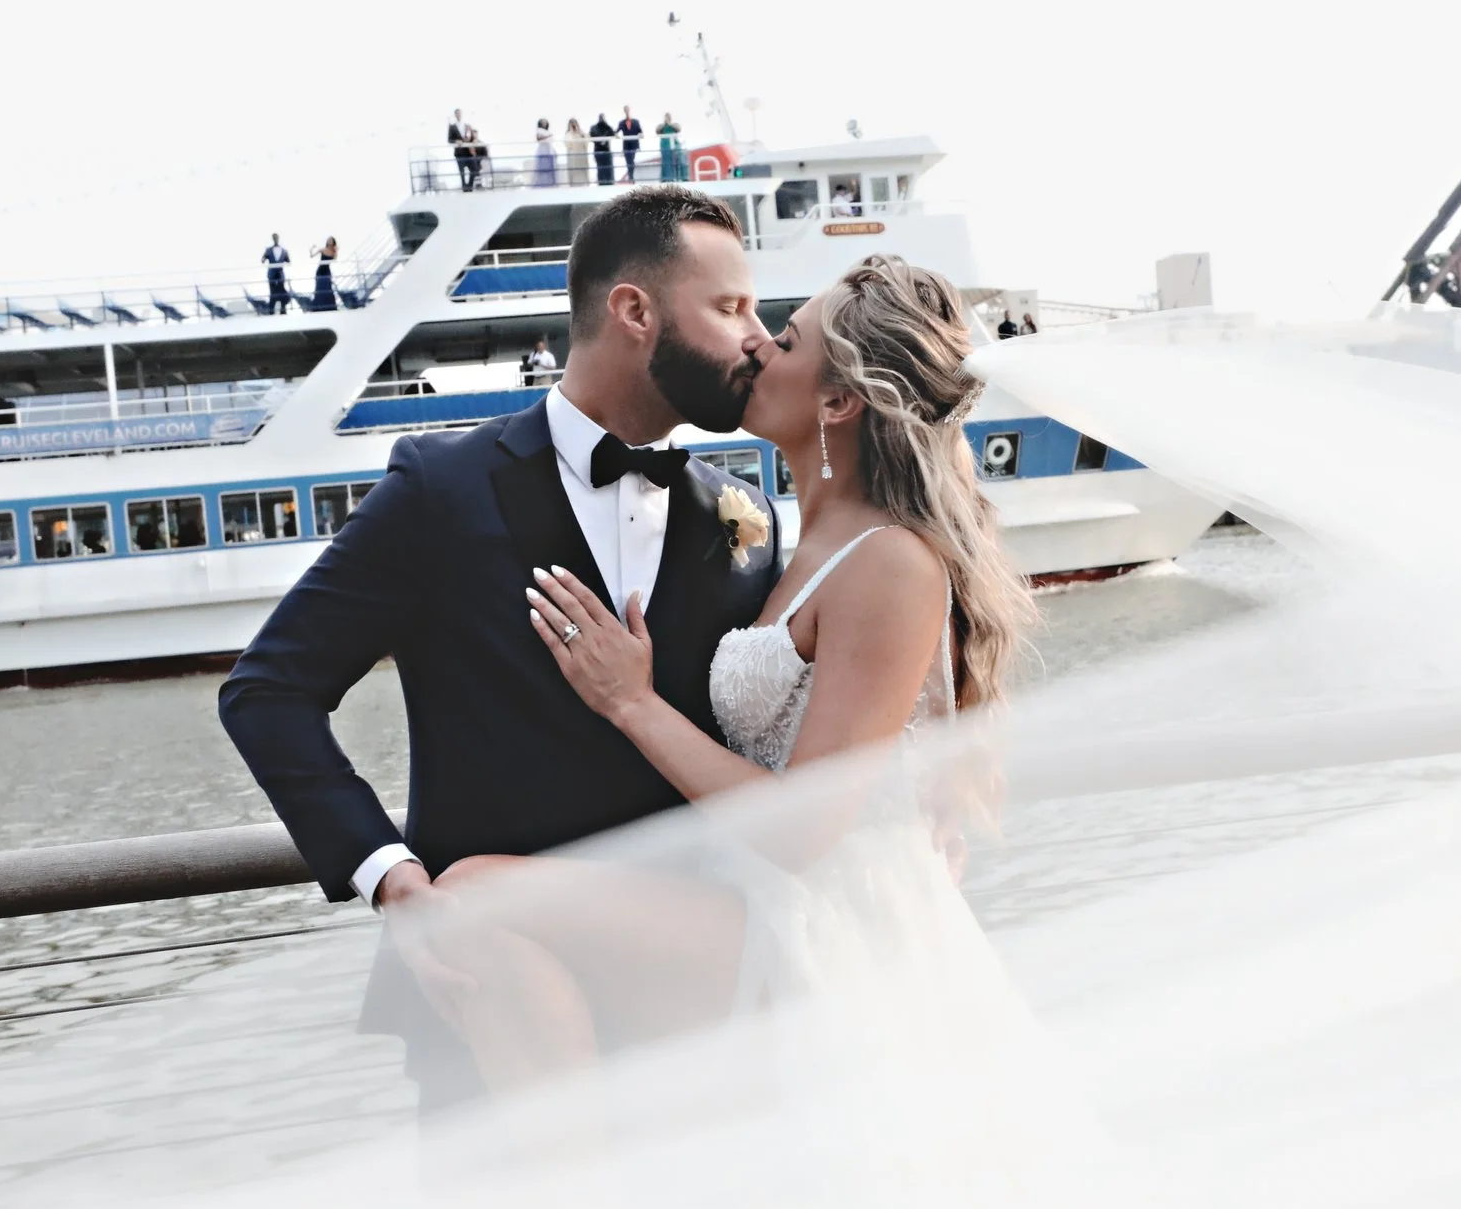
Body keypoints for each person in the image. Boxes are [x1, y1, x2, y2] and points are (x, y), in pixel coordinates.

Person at [220, 185, 781, 1111]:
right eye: (729, 308)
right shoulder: (441, 489)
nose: (757, 336)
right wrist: (389, 876)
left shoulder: (745, 516)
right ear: (633, 311)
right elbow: (267, 691)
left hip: (694, 1024)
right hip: (487, 1009)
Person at [415, 255, 1035, 1085]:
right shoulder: (791, 540)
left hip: (825, 926)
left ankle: (569, 1199)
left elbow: (811, 824)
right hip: (745, 901)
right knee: (476, 907)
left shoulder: (890, 560)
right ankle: (571, 1178)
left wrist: (630, 702)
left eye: (783, 339)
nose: (753, 347)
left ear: (839, 400)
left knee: (473, 895)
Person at [449, 110, 478, 191]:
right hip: (459, 153)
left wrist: (474, 140)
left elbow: (472, 137)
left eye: (460, 113)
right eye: (457, 114)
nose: (459, 115)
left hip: (468, 152)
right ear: (455, 115)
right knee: (462, 172)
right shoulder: (452, 127)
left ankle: (469, 186)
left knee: (473, 169)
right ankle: (464, 188)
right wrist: (456, 141)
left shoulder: (467, 126)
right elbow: (449, 139)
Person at [263, 234, 292, 314]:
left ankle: (283, 310)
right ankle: (271, 311)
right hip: (272, 274)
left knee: (282, 292)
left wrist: (286, 260)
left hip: (280, 274)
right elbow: (263, 259)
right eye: (274, 238)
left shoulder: (284, 250)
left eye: (276, 237)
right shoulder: (268, 250)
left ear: (278, 238)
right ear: (272, 239)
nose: (275, 239)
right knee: (273, 293)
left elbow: (289, 261)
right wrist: (265, 257)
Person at [311, 236, 339, 310]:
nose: (329, 241)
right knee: (319, 287)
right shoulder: (323, 249)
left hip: (327, 270)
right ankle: (317, 307)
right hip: (320, 270)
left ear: (333, 242)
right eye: (328, 240)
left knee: (328, 286)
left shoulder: (334, 251)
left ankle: (330, 306)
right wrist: (311, 249)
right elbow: (312, 256)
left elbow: (335, 259)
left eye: (331, 240)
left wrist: (336, 250)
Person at [564, 115, 591, 187]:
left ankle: (585, 184)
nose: (573, 125)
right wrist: (572, 132)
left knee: (582, 171)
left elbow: (587, 140)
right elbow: (568, 143)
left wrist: (580, 132)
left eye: (574, 123)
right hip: (573, 156)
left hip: (581, 155)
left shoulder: (581, 133)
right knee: (574, 171)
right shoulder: (568, 134)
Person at [619, 105, 643, 183]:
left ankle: (631, 177)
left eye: (627, 109)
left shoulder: (636, 122)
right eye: (625, 110)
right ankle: (631, 177)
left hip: (633, 144)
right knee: (628, 161)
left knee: (631, 160)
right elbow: (616, 131)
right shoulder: (622, 122)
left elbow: (640, 131)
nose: (626, 111)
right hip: (626, 145)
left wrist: (641, 135)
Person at [591, 113, 616, 185]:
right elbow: (592, 135)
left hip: (606, 151)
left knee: (608, 168)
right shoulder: (594, 127)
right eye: (601, 118)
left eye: (603, 118)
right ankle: (601, 183)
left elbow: (612, 133)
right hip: (598, 151)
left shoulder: (607, 127)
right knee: (600, 168)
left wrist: (606, 125)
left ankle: (609, 182)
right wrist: (601, 140)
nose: (602, 119)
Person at [657, 113, 684, 183]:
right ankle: (667, 178)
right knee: (666, 162)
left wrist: (669, 124)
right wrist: (665, 124)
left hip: (675, 145)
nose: (667, 118)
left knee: (679, 161)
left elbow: (678, 129)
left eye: (668, 117)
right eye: (666, 117)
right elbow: (657, 131)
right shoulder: (661, 126)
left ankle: (680, 177)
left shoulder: (674, 125)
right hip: (665, 146)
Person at [533, 119, 558, 188]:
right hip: (543, 150)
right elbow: (538, 138)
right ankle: (542, 183)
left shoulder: (548, 131)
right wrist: (548, 136)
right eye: (543, 122)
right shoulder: (539, 130)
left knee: (550, 167)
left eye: (545, 122)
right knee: (543, 166)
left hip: (549, 150)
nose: (544, 123)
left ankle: (550, 183)